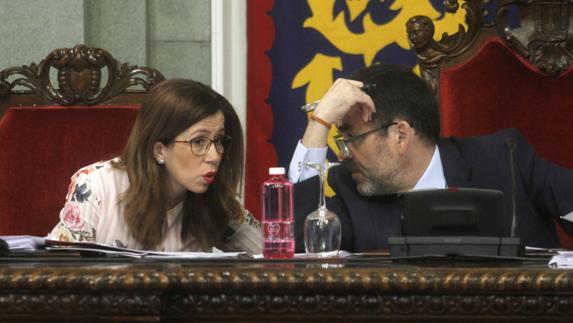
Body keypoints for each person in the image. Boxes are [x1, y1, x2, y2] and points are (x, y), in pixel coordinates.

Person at [289, 64, 573, 253]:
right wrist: (319, 122)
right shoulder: (353, 191)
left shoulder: (504, 159)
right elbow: (298, 250)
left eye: (349, 139)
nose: (342, 154)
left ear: (400, 135)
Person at [49, 79, 262, 253]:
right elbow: (58, 276)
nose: (214, 156)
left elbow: (272, 256)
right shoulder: (96, 186)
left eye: (219, 141)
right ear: (159, 150)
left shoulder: (210, 199)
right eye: (199, 142)